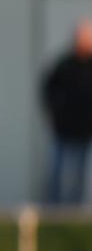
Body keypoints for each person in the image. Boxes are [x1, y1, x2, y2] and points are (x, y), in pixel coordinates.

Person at [43, 18, 92, 204]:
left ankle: (76, 213)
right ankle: (54, 211)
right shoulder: (64, 64)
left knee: (80, 176)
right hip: (64, 128)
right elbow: (48, 88)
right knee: (58, 173)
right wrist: (56, 112)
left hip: (86, 130)